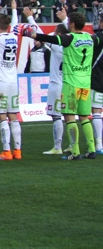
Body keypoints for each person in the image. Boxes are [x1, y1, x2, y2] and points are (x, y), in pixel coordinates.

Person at [22, 10, 98, 159]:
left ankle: (75, 152)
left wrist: (32, 34)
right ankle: (92, 149)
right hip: (85, 84)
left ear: (73, 24)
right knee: (84, 117)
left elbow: (49, 39)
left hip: (71, 83)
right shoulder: (90, 38)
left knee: (69, 117)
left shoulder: (68, 39)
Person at [0, 4, 23, 161]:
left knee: (1, 116)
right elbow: (16, 25)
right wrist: (14, 10)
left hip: (0, 83)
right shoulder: (14, 37)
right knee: (13, 116)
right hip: (13, 82)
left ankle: (6, 151)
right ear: (8, 26)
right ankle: (18, 150)